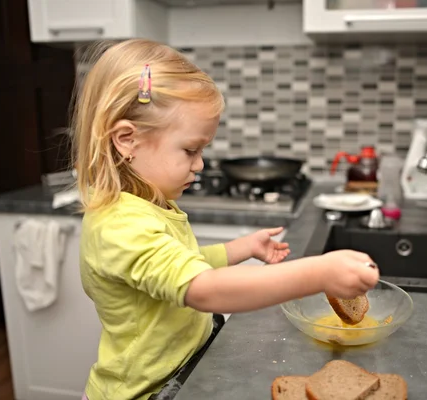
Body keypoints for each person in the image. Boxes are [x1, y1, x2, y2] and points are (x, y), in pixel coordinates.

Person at [73, 38, 379, 400]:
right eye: (190, 150)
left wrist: (240, 249)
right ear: (127, 139)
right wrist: (318, 273)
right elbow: (203, 289)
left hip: (180, 375)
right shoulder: (120, 225)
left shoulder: (147, 205)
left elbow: (180, 267)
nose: (200, 164)